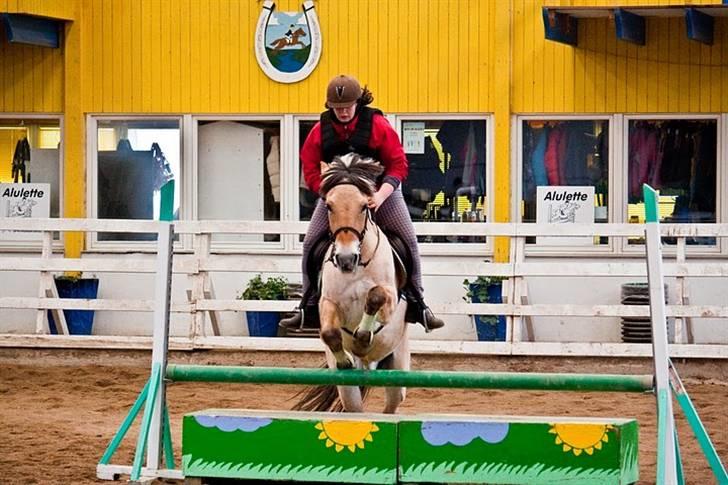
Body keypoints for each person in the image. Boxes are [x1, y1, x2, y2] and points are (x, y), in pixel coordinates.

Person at [279, 74, 445, 331]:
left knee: (408, 239)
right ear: (330, 107)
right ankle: (308, 305)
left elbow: (398, 164)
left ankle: (418, 303)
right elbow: (309, 167)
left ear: (358, 103)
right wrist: (326, 194)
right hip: (338, 198)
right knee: (311, 242)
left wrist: (380, 195)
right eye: (337, 108)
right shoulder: (319, 131)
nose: (343, 112)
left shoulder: (378, 125)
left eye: (347, 107)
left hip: (380, 194)